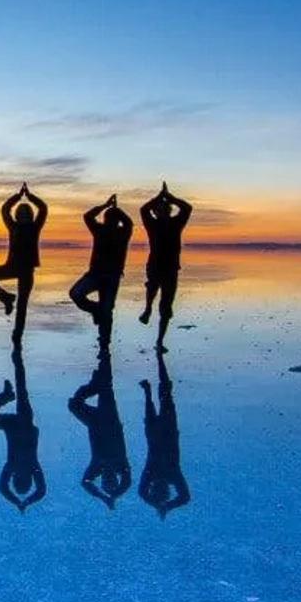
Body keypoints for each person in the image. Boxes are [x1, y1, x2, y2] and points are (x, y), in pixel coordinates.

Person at [0, 348, 46, 513]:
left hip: (20, 424)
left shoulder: (32, 468)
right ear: (15, 479)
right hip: (13, 425)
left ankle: (17, 365)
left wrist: (25, 501)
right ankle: (6, 393)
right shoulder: (14, 467)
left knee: (23, 392)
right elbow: (3, 488)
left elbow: (41, 491)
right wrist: (18, 502)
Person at [0, 183, 48, 345]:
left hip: (27, 271)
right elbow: (5, 209)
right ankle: (6, 298)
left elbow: (43, 208)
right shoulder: (13, 227)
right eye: (20, 213)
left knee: (22, 305)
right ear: (17, 215)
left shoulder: (35, 227)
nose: (23, 216)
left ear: (30, 215)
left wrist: (29, 197)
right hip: (11, 267)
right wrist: (17, 197)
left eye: (26, 213)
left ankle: (17, 335)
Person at [69, 194, 133, 349]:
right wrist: (106, 206)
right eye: (108, 218)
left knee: (107, 310)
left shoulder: (123, 233)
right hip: (95, 274)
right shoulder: (99, 230)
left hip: (112, 277)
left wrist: (116, 209)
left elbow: (128, 222)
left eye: (113, 219)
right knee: (76, 293)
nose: (110, 221)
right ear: (104, 219)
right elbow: (88, 216)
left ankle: (104, 341)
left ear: (117, 221)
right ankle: (95, 310)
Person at [68, 350, 130, 510]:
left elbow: (85, 483)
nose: (108, 479)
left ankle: (94, 383)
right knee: (106, 388)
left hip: (94, 423)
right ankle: (104, 358)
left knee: (74, 404)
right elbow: (127, 482)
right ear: (116, 480)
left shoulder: (97, 468)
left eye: (105, 481)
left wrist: (104, 497)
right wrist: (114, 495)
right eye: (112, 481)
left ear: (102, 479)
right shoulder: (121, 466)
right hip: (109, 420)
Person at [138, 181, 193, 353]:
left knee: (166, 306)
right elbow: (143, 210)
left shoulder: (176, 223)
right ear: (156, 212)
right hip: (155, 265)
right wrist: (159, 198)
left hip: (171, 268)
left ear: (168, 211)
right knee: (152, 288)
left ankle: (160, 341)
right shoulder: (152, 224)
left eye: (165, 208)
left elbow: (187, 208)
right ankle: (147, 308)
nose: (162, 211)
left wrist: (169, 197)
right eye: (159, 209)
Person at [138, 352, 190, 519]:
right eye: (161, 490)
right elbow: (185, 497)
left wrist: (159, 504)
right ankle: (160, 359)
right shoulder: (173, 475)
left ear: (152, 487)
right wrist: (166, 506)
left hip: (154, 434)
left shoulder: (151, 475)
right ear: (167, 489)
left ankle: (149, 388)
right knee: (165, 392)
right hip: (168, 430)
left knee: (153, 406)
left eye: (155, 489)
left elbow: (141, 493)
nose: (157, 486)